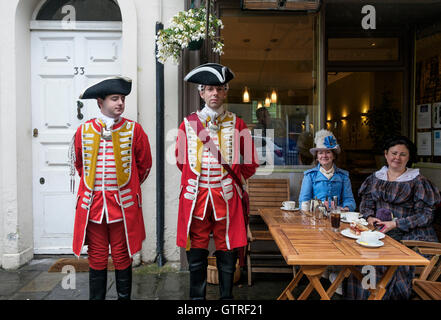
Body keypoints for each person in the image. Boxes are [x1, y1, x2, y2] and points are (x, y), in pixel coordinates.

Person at [175, 63, 259, 300]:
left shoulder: (237, 123)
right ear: (201, 93)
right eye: (210, 89)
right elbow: (181, 161)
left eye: (219, 89)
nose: (215, 94)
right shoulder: (188, 123)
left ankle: (226, 298)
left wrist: (233, 179)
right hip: (197, 197)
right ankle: (197, 300)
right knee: (197, 246)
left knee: (227, 245)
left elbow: (251, 161)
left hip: (226, 197)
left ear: (225, 92)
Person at [70, 76, 152, 300]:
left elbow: (144, 165)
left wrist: (128, 187)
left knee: (122, 255)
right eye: (114, 98)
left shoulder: (134, 131)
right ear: (100, 102)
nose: (120, 103)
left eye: (122, 99)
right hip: (94, 206)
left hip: (122, 207)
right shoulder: (84, 131)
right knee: (96, 256)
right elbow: (80, 165)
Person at [346, 136, 440, 300]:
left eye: (402, 154)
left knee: (382, 263)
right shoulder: (376, 178)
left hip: (410, 237)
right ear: (386, 154)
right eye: (394, 153)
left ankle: (380, 296)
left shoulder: (418, 181)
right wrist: (369, 217)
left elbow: (426, 215)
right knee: (357, 258)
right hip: (379, 232)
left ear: (409, 157)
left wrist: (396, 224)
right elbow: (366, 203)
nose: (397, 158)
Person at [298, 129, 356, 212]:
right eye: (320, 153)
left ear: (334, 156)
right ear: (317, 157)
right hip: (316, 218)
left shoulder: (343, 176)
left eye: (328, 152)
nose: (324, 156)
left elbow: (349, 200)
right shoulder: (310, 176)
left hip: (337, 217)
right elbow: (304, 201)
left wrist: (346, 208)